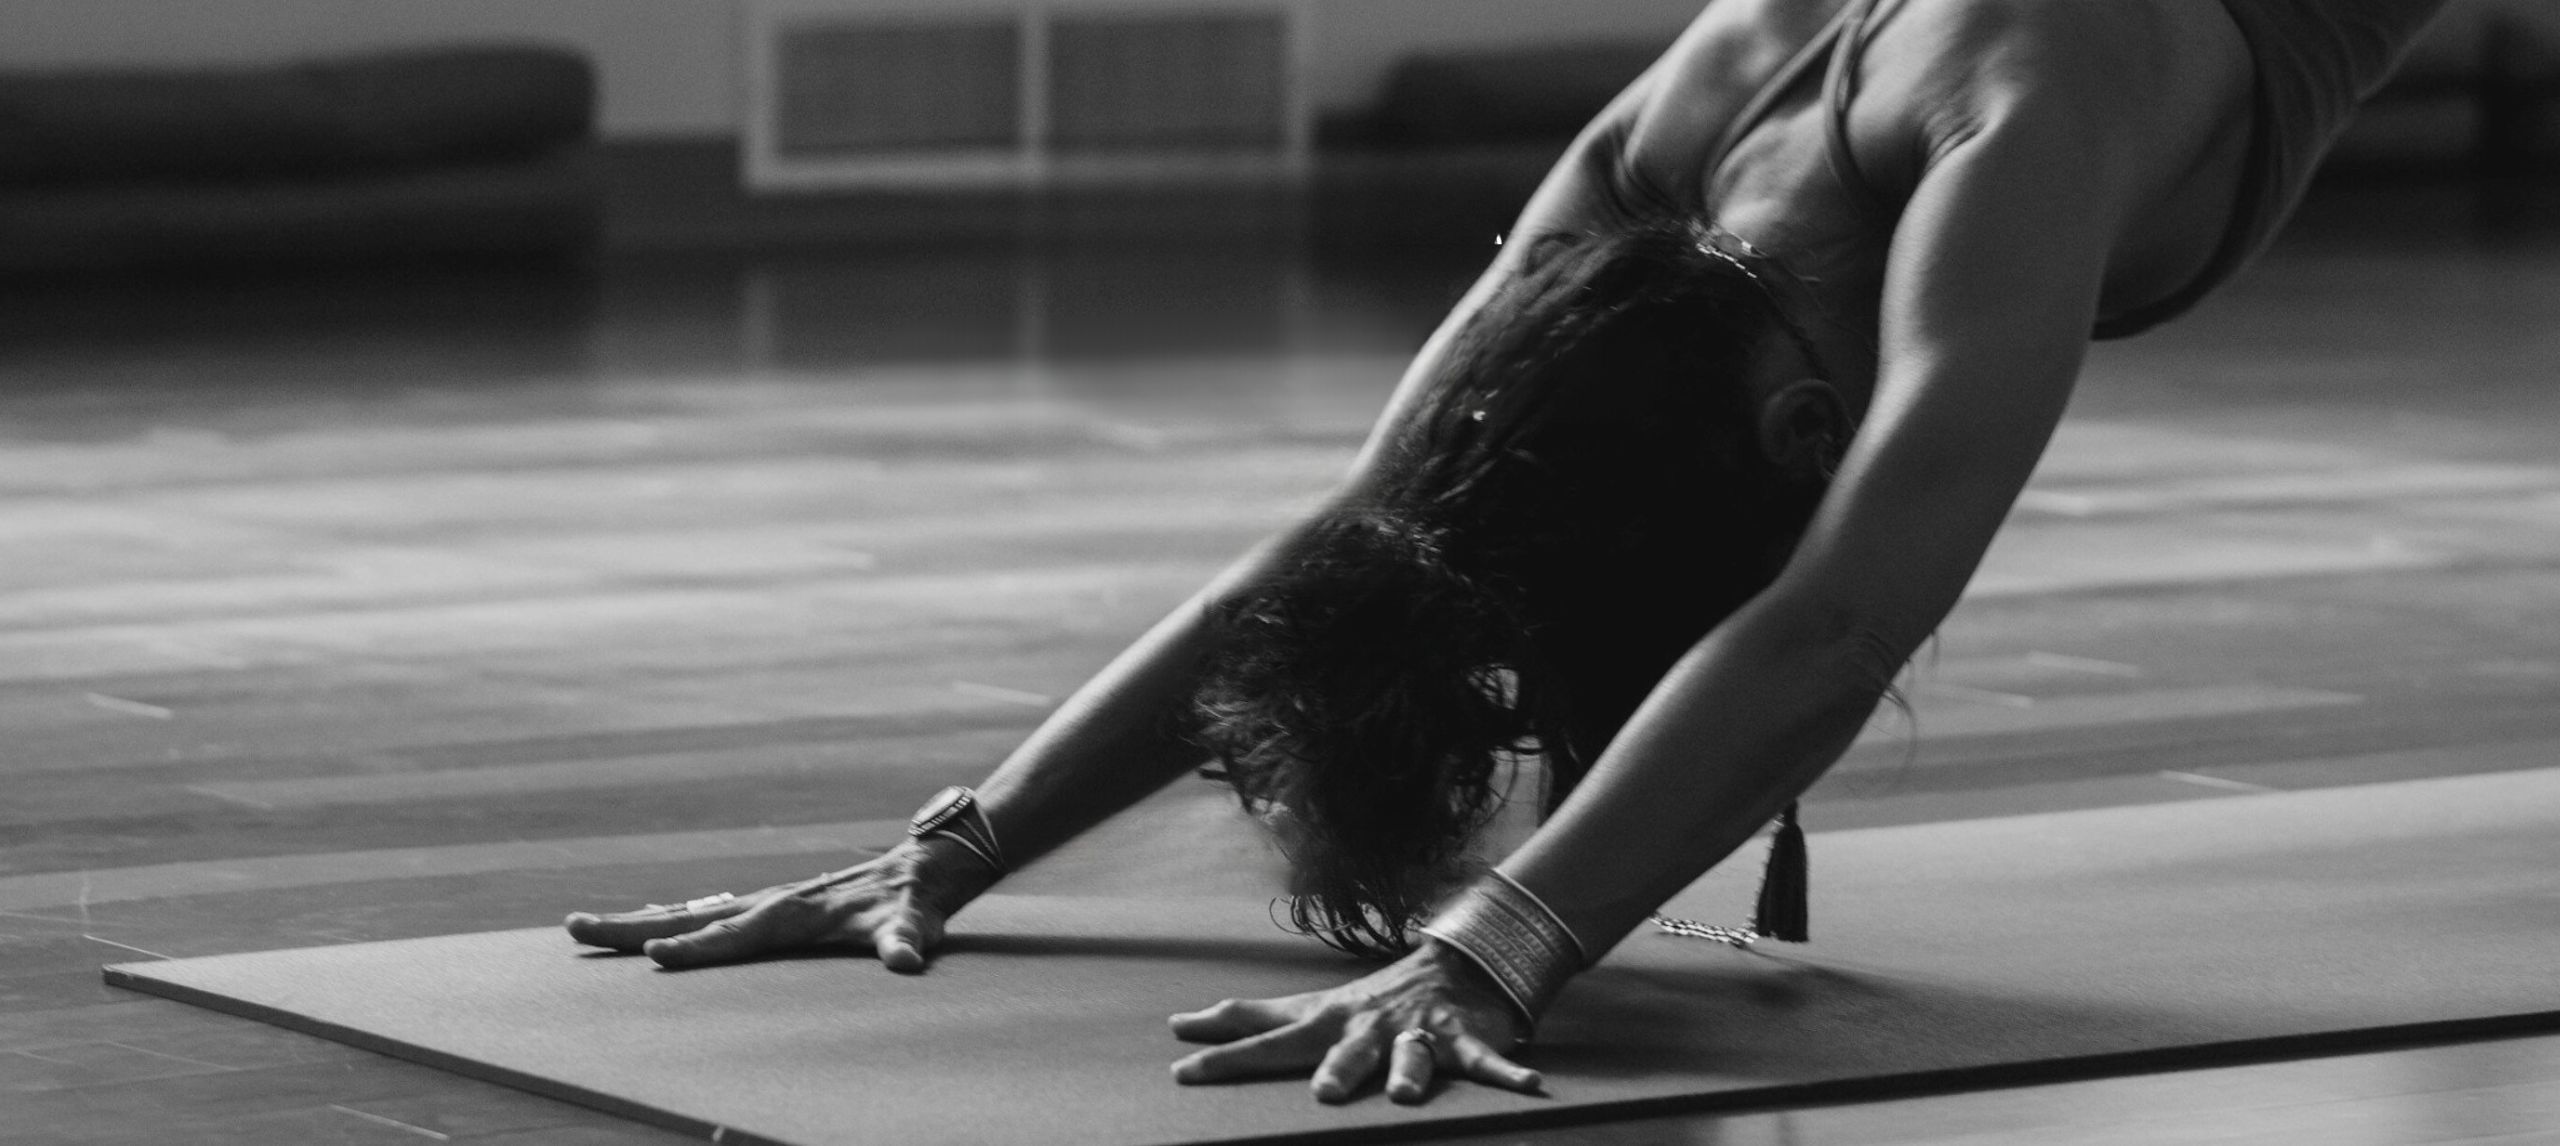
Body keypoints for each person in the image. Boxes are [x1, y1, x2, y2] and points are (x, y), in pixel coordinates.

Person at [567, 0, 2448, 1107]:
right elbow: (1358, 537)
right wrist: (961, 839)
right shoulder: (1663, 151)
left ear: (1808, 436)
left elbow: (1839, 616)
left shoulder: (2005, 130)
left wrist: (1500, 945)